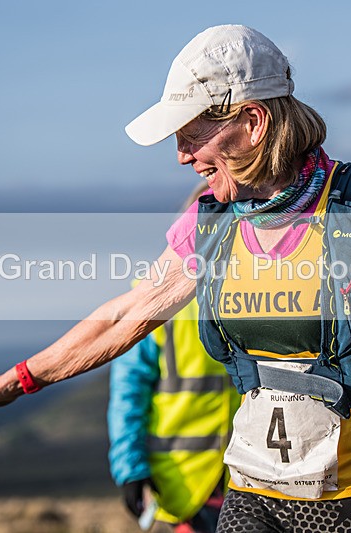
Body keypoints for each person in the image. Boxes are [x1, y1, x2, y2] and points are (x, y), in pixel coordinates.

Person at [0, 25, 351, 532]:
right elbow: (127, 314)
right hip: (253, 491)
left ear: (251, 122)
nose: (180, 156)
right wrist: (14, 382)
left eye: (192, 134)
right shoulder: (208, 224)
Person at [108, 184, 241, 533]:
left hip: (259, 476)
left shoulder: (261, 295)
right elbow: (128, 390)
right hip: (185, 484)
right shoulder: (151, 298)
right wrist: (130, 468)